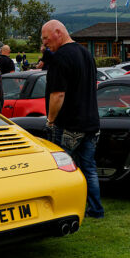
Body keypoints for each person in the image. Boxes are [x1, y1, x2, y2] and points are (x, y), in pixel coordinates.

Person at [41, 20, 105, 219]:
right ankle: (95, 209)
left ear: (58, 33)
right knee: (89, 168)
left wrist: (50, 120)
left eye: (46, 38)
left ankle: (62, 209)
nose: (44, 44)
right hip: (91, 122)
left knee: (61, 168)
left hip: (69, 124)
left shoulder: (61, 57)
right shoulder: (85, 53)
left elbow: (58, 94)